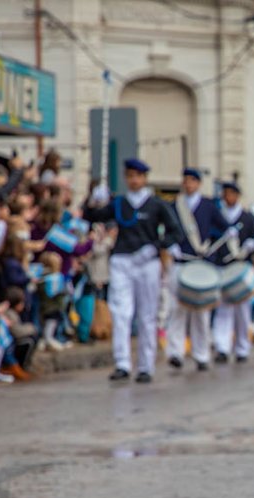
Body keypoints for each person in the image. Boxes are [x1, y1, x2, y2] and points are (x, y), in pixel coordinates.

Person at [83, 158, 183, 383]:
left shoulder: (156, 204)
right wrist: (92, 200)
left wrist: (155, 247)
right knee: (121, 313)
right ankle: (122, 363)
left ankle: (146, 366)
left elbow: (176, 232)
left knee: (147, 314)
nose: (133, 180)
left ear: (145, 178)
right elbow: (91, 216)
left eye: (137, 176)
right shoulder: (119, 203)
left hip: (147, 263)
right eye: (129, 176)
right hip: (122, 260)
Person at [166, 168, 224, 370]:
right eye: (186, 180)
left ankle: (202, 354)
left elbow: (223, 228)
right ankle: (176, 352)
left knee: (201, 311)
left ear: (198, 183)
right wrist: (170, 245)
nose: (188, 184)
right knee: (177, 308)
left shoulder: (209, 206)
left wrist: (212, 245)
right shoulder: (174, 206)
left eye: (192, 180)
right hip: (181, 262)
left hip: (202, 262)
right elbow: (165, 230)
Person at [210, 182, 254, 364]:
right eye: (226, 194)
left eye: (232, 194)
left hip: (241, 267)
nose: (228, 197)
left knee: (243, 311)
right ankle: (222, 348)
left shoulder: (248, 217)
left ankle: (242, 348)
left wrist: (252, 245)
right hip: (223, 268)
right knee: (223, 309)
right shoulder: (218, 216)